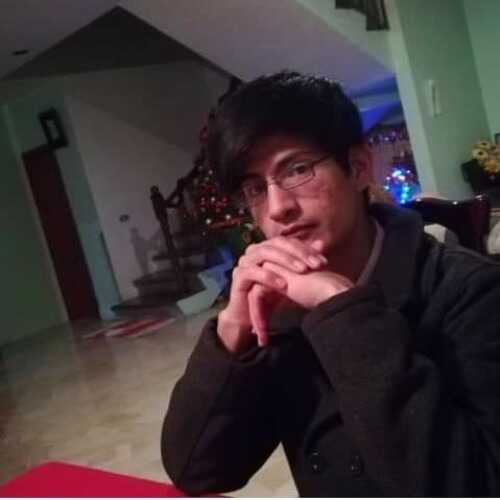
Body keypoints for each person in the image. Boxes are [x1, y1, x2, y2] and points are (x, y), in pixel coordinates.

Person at [161, 71, 500, 497]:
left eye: (298, 170)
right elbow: (196, 470)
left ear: (357, 168)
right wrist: (232, 331)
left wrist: (342, 308)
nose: (278, 208)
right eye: (255, 188)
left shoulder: (471, 291)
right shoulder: (279, 308)